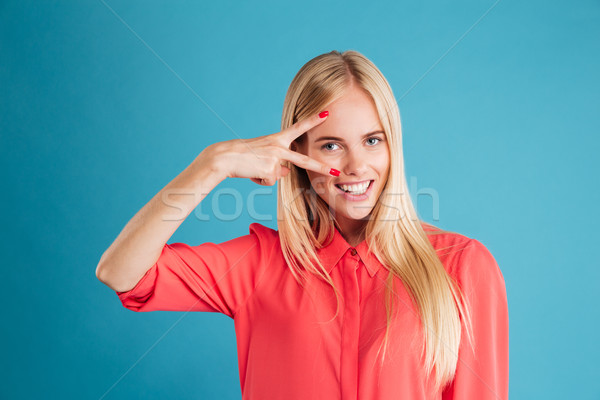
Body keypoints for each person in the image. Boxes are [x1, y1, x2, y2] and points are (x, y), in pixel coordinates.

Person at [96, 49, 509, 399]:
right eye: (331, 145)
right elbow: (120, 272)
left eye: (372, 140)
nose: (355, 167)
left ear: (392, 145)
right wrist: (213, 163)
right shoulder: (257, 266)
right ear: (297, 155)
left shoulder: (461, 266)